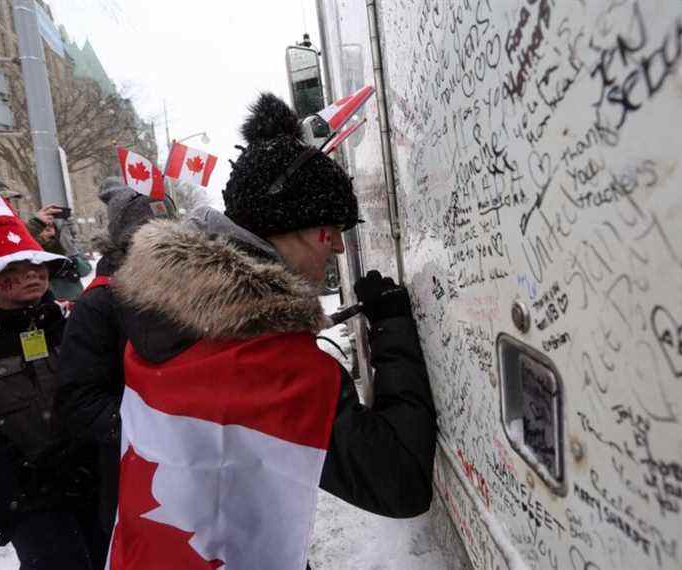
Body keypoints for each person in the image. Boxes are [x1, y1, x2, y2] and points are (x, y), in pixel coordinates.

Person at [106, 93, 436, 569]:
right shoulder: (269, 364)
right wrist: (393, 328)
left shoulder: (168, 315)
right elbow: (398, 480)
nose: (339, 249)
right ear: (290, 227)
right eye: (331, 230)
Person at [0, 189, 106, 569]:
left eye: (37, 263)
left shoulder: (64, 324)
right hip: (28, 501)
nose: (34, 273)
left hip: (85, 483)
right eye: (16, 267)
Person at [56, 178, 176, 538]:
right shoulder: (98, 305)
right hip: (135, 474)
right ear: (128, 243)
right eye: (154, 239)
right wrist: (157, 427)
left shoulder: (183, 293)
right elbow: (79, 402)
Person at [27, 204, 92, 301]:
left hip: (75, 300)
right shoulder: (32, 249)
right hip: (51, 302)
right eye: (45, 228)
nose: (49, 231)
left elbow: (86, 270)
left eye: (51, 227)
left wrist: (72, 256)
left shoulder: (65, 243)